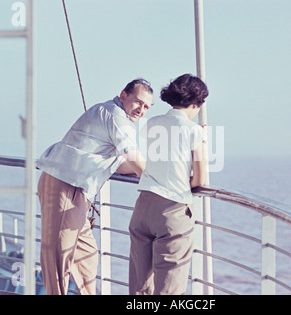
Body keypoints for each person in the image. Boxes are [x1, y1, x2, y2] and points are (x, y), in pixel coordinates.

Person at [37, 79, 153, 295]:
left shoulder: (109, 113)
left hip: (73, 189)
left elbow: (120, 164)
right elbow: (133, 157)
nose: (141, 109)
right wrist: (161, 180)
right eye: (138, 102)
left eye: (146, 106)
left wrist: (149, 170)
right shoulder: (117, 117)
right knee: (58, 259)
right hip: (65, 186)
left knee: (86, 255)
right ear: (123, 95)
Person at [129, 74, 209, 295]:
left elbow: (161, 158)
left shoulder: (151, 124)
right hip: (172, 210)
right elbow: (200, 179)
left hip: (143, 207)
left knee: (139, 288)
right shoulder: (194, 130)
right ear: (196, 103)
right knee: (169, 290)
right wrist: (202, 139)